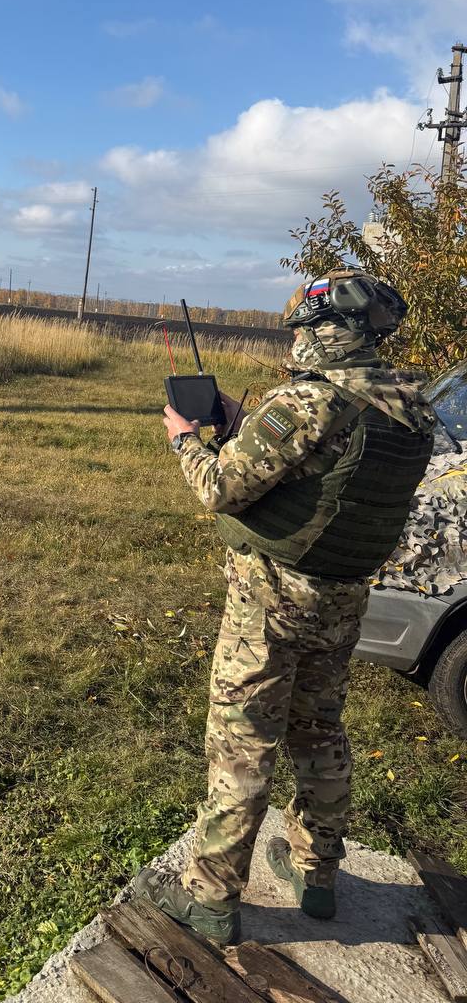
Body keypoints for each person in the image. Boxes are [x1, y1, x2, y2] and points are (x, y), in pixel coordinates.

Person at [136, 270, 435, 945]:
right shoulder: (409, 406)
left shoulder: (307, 402)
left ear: (328, 332)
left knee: (244, 741)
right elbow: (333, 474)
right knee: (320, 729)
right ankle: (317, 870)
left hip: (273, 601)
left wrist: (186, 438)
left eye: (305, 327)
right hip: (343, 599)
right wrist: (247, 425)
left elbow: (219, 487)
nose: (297, 338)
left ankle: (209, 898)